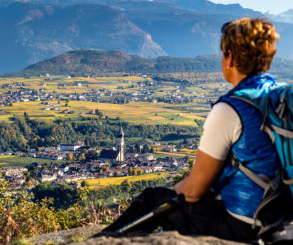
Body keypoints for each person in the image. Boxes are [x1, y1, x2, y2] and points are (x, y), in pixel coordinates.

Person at [95, 18, 283, 243]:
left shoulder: (230, 110)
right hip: (282, 218)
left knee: (153, 198)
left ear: (230, 58)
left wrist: (175, 192)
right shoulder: (279, 99)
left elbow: (193, 190)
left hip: (244, 225)